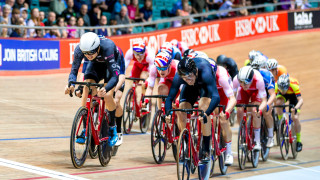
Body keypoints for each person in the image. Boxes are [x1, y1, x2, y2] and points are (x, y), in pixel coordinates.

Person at [64, 32, 121, 146]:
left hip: (109, 66)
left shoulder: (108, 48)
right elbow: (74, 70)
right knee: (87, 87)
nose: (88, 56)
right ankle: (85, 128)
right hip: (94, 65)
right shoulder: (79, 49)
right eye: (86, 54)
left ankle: (112, 128)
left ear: (97, 47)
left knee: (108, 94)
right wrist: (70, 84)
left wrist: (106, 88)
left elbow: (115, 77)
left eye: (91, 53)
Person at [165, 56, 220, 160]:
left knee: (203, 106)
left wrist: (206, 113)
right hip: (191, 89)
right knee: (181, 109)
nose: (187, 80)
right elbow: (169, 98)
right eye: (184, 78)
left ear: (195, 71)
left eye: (189, 76)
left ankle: (206, 147)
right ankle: (187, 143)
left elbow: (216, 97)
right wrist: (168, 113)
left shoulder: (205, 72)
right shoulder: (180, 77)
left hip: (204, 87)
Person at [233, 66, 268, 151]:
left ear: (252, 79)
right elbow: (232, 98)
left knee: (254, 110)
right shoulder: (235, 80)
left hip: (255, 91)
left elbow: (264, 101)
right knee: (240, 109)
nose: (243, 84)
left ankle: (257, 141)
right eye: (241, 82)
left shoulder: (259, 80)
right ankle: (243, 131)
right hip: (243, 92)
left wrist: (259, 110)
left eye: (246, 82)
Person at [251, 55, 276, 148]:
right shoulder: (251, 73)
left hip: (267, 93)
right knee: (252, 109)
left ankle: (270, 137)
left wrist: (268, 105)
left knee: (266, 113)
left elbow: (272, 95)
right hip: (258, 92)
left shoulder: (267, 75)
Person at [275, 74, 303, 152]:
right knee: (278, 103)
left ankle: (299, 141)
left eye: (284, 89)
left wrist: (295, 108)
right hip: (285, 95)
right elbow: (273, 98)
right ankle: (281, 121)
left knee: (295, 117)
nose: (283, 91)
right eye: (281, 89)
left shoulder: (294, 85)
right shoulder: (276, 85)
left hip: (293, 96)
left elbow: (301, 100)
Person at [124, 41, 155, 108]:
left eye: (141, 54)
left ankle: (144, 100)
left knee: (144, 79)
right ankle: (132, 101)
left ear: (144, 52)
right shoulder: (130, 52)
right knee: (131, 82)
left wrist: (147, 81)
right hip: (137, 65)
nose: (138, 57)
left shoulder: (150, 55)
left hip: (147, 66)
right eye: (136, 54)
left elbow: (152, 72)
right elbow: (124, 66)